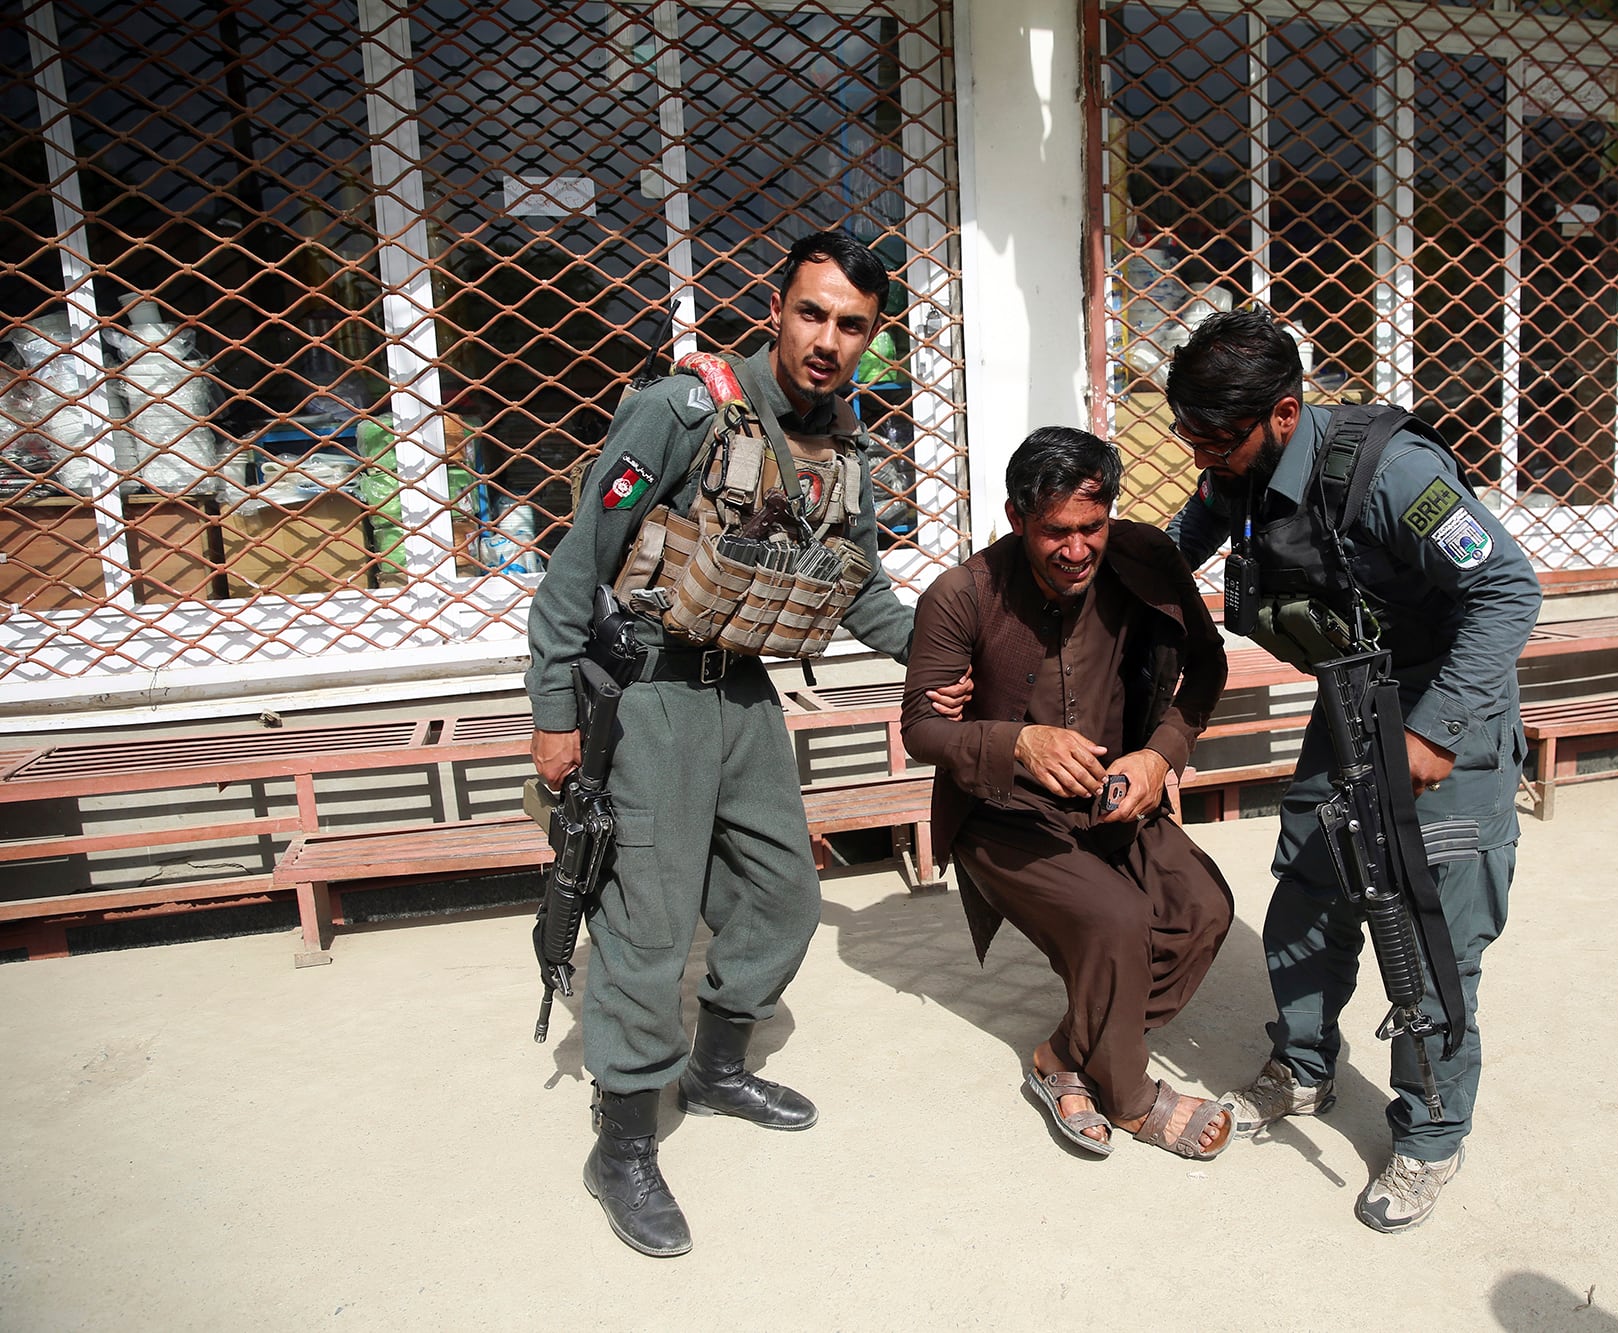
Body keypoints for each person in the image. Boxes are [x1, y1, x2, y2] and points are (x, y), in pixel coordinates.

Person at [526, 231, 961, 1258]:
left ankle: (716, 1069)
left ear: (871, 337)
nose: (827, 340)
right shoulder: (683, 409)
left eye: (850, 325)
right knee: (647, 922)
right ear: (776, 308)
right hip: (652, 700)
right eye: (811, 313)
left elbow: (859, 589)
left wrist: (944, 660)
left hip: (747, 697)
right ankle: (622, 1139)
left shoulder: (843, 443)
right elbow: (577, 558)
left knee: (782, 896)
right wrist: (551, 710)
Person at [1163, 307, 1542, 1232]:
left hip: (1445, 711)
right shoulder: (1239, 467)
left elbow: (1507, 587)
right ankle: (1300, 1068)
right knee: (1307, 891)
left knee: (1432, 931)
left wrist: (1437, 731)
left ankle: (1430, 1135)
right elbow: (1180, 549)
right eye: (1191, 438)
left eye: (1215, 439)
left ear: (1283, 414)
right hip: (1351, 701)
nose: (1203, 459)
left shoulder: (1392, 474)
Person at [900, 426, 1237, 1161]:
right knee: (1115, 921)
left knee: (1204, 908)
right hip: (1002, 814)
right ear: (1019, 518)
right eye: (1056, 531)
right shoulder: (962, 594)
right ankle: (1132, 1095)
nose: (1078, 549)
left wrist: (1158, 756)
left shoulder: (1145, 560)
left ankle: (1063, 1054)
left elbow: (1207, 671)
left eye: (1093, 526)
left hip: (1118, 796)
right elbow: (921, 729)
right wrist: (1017, 742)